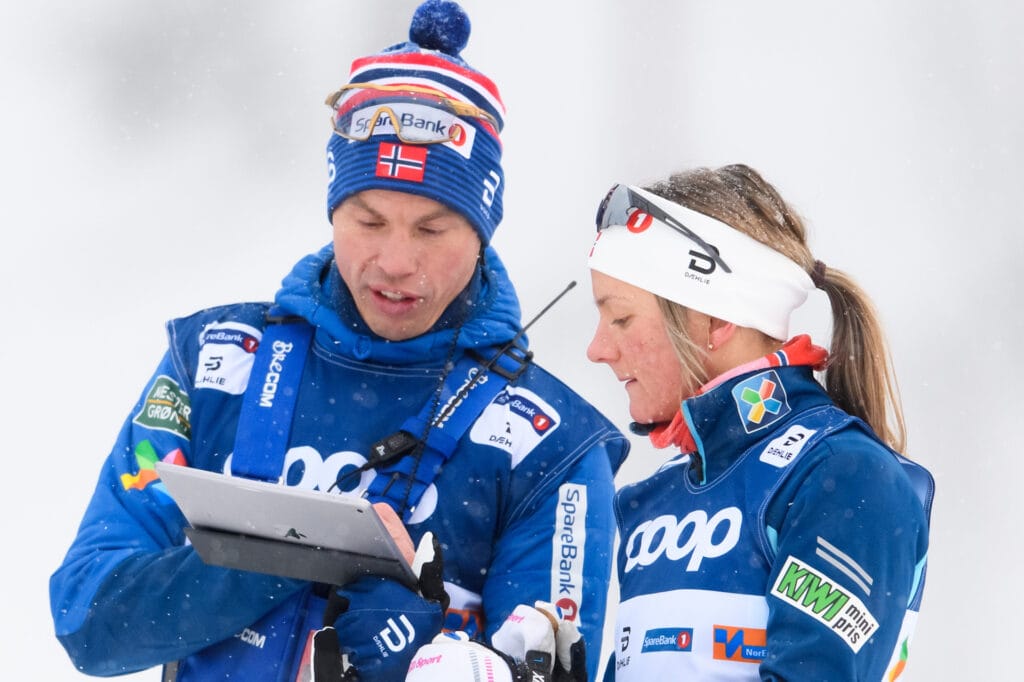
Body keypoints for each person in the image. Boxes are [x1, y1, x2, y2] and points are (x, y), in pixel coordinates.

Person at [49, 2, 629, 680]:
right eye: (368, 220)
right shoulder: (216, 362)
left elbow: (552, 669)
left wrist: (422, 652)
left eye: (432, 229)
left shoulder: (551, 445)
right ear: (333, 211)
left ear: (481, 231)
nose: (395, 262)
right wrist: (285, 559)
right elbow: (88, 618)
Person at [583, 165, 934, 681]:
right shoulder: (654, 497)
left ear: (716, 320)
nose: (597, 349)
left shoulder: (839, 473)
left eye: (621, 318)